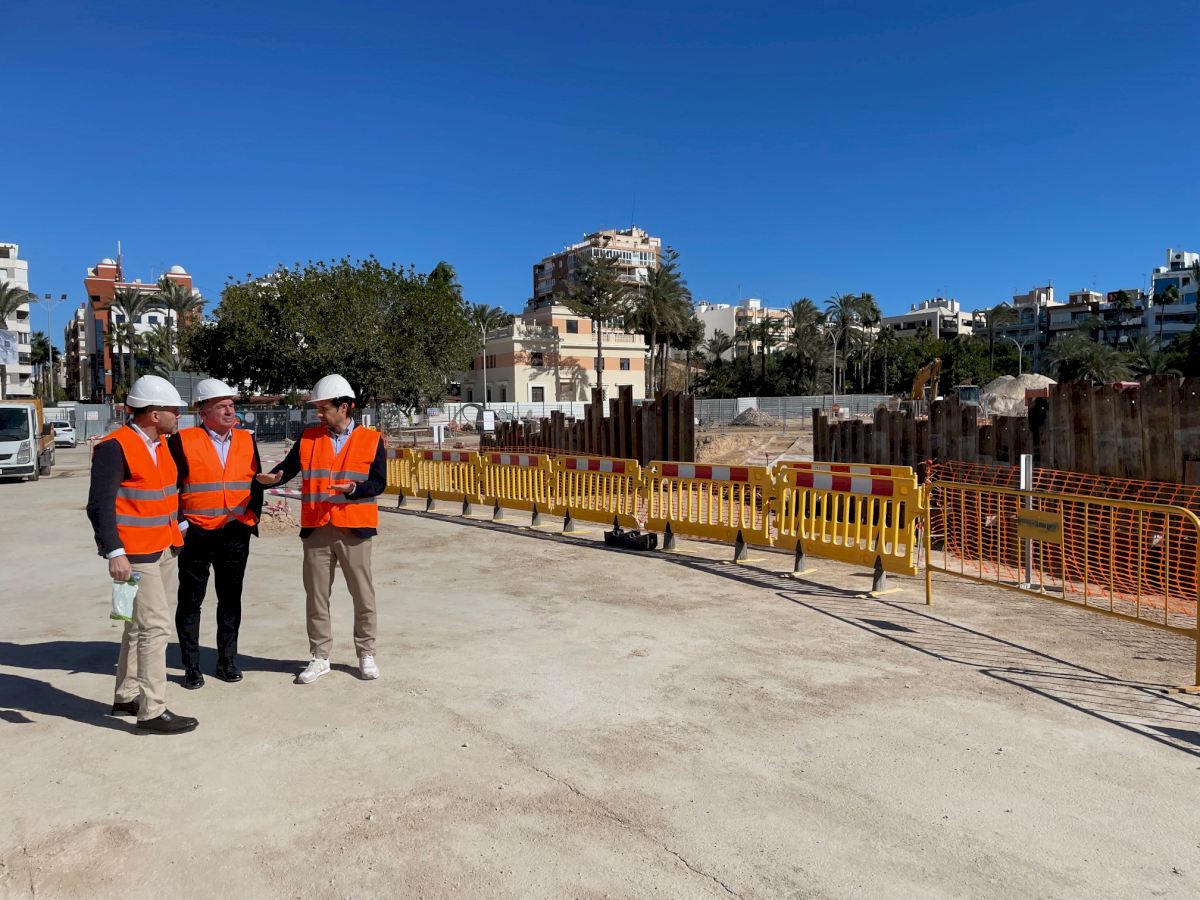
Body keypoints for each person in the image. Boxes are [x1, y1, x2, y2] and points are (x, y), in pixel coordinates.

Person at [86, 375, 198, 735]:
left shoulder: (161, 445)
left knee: (136, 626)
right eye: (173, 410)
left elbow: (164, 493)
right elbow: (99, 505)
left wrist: (179, 528)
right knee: (155, 627)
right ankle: (152, 710)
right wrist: (114, 552)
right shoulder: (115, 447)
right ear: (153, 414)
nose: (178, 416)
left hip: (162, 547)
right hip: (134, 554)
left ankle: (126, 696)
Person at [256, 374, 386, 684]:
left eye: (324, 408)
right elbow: (287, 468)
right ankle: (319, 656)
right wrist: (274, 477)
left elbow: (379, 483)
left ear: (344, 407)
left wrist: (354, 489)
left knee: (363, 596)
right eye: (317, 408)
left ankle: (366, 653)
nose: (319, 414)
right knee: (316, 597)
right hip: (316, 529)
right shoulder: (308, 438)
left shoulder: (371, 440)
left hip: (355, 529)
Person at [168, 378, 264, 689]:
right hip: (196, 533)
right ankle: (191, 666)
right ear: (203, 412)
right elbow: (169, 487)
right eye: (221, 406)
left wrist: (252, 516)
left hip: (235, 532)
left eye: (231, 405)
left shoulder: (246, 440)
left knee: (231, 599)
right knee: (190, 601)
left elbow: (257, 481)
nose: (229, 411)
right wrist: (181, 524)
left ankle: (227, 661)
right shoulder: (182, 441)